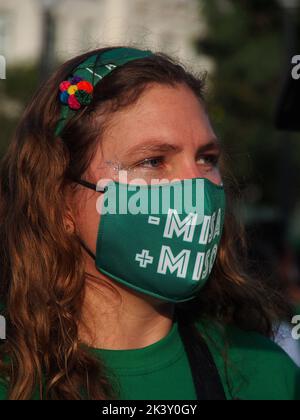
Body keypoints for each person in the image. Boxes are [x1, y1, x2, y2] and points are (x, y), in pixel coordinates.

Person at [0, 46, 299, 400]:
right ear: (61, 201)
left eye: (207, 158)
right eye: (154, 161)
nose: (197, 186)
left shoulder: (265, 374)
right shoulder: (11, 378)